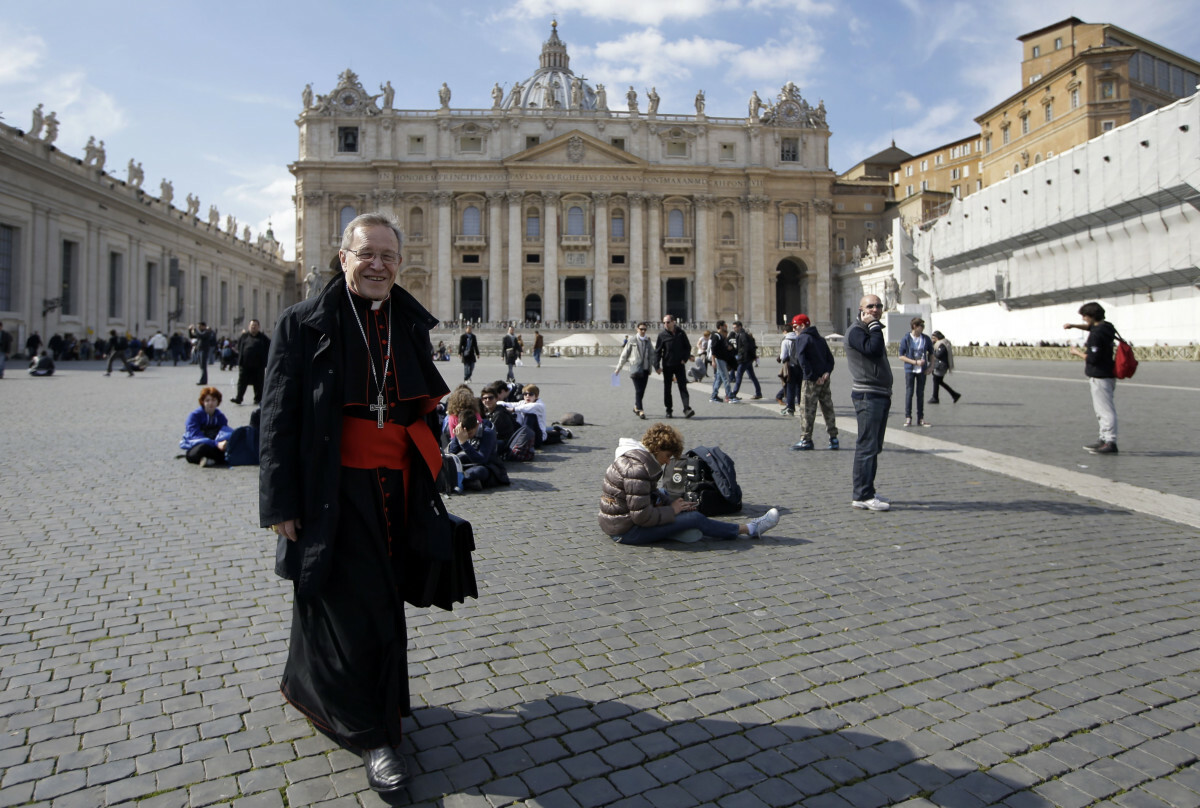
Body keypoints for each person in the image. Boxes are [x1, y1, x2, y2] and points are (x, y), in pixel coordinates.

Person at [259, 212, 453, 793]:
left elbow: (421, 405)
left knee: (383, 598)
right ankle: (374, 736)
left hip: (399, 488)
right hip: (332, 488)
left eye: (388, 256)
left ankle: (318, 688)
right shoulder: (302, 323)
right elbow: (277, 418)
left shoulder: (407, 323)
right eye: (366, 254)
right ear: (342, 257)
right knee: (354, 603)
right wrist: (279, 502)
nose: (377, 265)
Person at [599, 422, 780, 545]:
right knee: (694, 519)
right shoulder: (637, 470)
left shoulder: (636, 457)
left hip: (620, 522)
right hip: (625, 532)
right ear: (657, 449)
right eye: (668, 456)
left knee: (669, 494)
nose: (668, 462)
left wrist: (669, 502)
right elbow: (642, 517)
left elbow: (647, 494)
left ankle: (680, 528)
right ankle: (750, 529)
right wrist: (673, 510)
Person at [846, 294, 893, 511]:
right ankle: (862, 495)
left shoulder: (867, 331)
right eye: (870, 306)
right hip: (868, 395)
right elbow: (873, 350)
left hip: (878, 393)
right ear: (861, 309)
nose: (875, 309)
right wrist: (874, 325)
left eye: (878, 306)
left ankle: (867, 490)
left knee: (874, 446)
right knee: (867, 446)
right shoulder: (857, 331)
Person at [1065, 301, 1118, 454]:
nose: (1083, 319)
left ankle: (1110, 441)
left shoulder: (1096, 335)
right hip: (1108, 372)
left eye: (1085, 316)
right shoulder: (1107, 327)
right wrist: (1074, 326)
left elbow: (1092, 358)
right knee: (1101, 410)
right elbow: (1091, 327)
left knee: (1105, 410)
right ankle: (1103, 438)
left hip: (1099, 375)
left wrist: (1076, 353)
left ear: (1091, 316)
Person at [789, 314, 838, 451]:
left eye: (795, 326)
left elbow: (801, 360)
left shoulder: (802, 338)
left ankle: (806, 439)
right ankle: (833, 438)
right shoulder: (821, 339)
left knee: (807, 411)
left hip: (811, 381)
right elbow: (830, 359)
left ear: (803, 326)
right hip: (825, 380)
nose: (794, 330)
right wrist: (826, 373)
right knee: (827, 408)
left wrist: (813, 376)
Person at [447, 411, 504, 490]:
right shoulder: (460, 432)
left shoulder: (488, 433)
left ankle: (458, 480)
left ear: (477, 425)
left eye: (470, 433)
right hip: (465, 465)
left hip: (486, 466)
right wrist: (456, 437)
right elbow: (452, 453)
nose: (468, 436)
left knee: (479, 471)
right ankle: (464, 481)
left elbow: (482, 459)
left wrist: (463, 443)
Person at [654, 315, 695, 419]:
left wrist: (685, 359)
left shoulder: (681, 333)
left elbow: (688, 347)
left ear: (674, 322)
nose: (665, 325)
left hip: (679, 365)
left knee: (683, 387)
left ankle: (687, 408)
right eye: (664, 323)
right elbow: (657, 351)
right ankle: (669, 410)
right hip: (667, 365)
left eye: (667, 322)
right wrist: (656, 366)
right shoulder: (662, 335)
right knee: (667, 388)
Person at [180, 387, 233, 466]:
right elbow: (195, 436)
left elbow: (224, 432)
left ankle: (209, 460)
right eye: (207, 400)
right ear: (202, 402)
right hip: (198, 445)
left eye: (213, 400)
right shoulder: (194, 416)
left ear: (218, 402)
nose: (211, 403)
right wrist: (216, 444)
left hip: (215, 446)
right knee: (203, 448)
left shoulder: (220, 417)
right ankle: (211, 460)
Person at [898, 317, 933, 427]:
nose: (923, 328)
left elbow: (932, 354)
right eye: (921, 326)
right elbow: (901, 356)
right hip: (910, 369)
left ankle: (921, 418)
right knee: (909, 393)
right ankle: (908, 417)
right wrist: (914, 362)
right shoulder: (906, 339)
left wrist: (931, 367)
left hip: (922, 370)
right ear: (914, 326)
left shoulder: (926, 339)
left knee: (920, 394)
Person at [615, 322, 654, 419]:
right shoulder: (632, 341)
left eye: (645, 329)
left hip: (645, 369)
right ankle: (641, 410)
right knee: (638, 390)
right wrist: (618, 368)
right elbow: (624, 355)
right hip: (635, 368)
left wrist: (656, 367)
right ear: (637, 329)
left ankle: (636, 406)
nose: (643, 331)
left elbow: (652, 355)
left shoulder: (648, 341)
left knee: (642, 390)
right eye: (641, 329)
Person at [233, 319, 271, 405]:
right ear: (249, 327)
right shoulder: (244, 336)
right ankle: (239, 398)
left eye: (255, 325)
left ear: (258, 327)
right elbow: (239, 347)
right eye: (252, 325)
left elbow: (270, 347)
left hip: (258, 365)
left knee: (258, 383)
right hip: (245, 364)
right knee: (242, 382)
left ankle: (258, 399)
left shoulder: (263, 338)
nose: (253, 327)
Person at [479, 383, 518, 452]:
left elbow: (489, 432)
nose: (487, 400)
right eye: (485, 398)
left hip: (505, 444)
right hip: (497, 439)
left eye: (490, 398)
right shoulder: (487, 411)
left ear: (497, 399)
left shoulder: (499, 413)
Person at [729, 321, 762, 400]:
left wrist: (740, 356)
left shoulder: (742, 335)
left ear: (740, 326)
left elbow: (746, 347)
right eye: (733, 327)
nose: (734, 329)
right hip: (748, 359)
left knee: (739, 376)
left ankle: (734, 393)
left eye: (735, 327)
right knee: (752, 376)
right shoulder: (740, 334)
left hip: (744, 359)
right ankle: (758, 393)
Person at [928, 330, 961, 404]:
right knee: (938, 381)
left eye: (933, 338)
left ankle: (935, 397)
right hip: (941, 365)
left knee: (937, 380)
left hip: (941, 365)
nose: (932, 339)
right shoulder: (942, 343)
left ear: (937, 337)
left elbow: (939, 354)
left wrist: (932, 352)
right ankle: (953, 394)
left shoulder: (941, 344)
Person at [708, 320, 737, 403]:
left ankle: (714, 396)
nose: (726, 327)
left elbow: (721, 348)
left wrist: (727, 347)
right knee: (726, 378)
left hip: (722, 359)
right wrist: (713, 361)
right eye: (725, 325)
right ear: (720, 327)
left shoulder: (721, 337)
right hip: (719, 359)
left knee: (719, 379)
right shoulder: (716, 336)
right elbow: (713, 349)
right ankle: (730, 396)